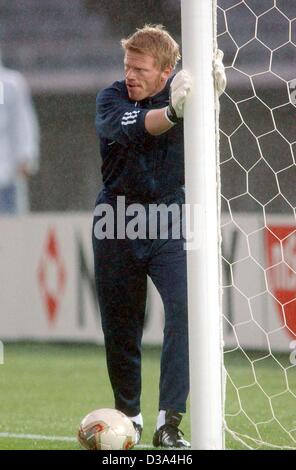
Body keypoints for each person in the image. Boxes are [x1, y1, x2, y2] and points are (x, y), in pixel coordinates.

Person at [93, 25, 226, 448]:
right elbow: (140, 126)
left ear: (167, 70)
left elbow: (202, 135)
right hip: (116, 219)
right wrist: (174, 112)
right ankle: (128, 418)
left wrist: (210, 99)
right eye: (127, 65)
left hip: (171, 219)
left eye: (141, 68)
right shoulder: (110, 99)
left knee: (187, 311)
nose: (130, 74)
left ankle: (169, 422)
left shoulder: (188, 98)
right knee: (121, 325)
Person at [0, 48, 40, 215]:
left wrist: (25, 156)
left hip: (6, 176)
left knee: (11, 229)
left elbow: (22, 122)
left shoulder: (9, 84)